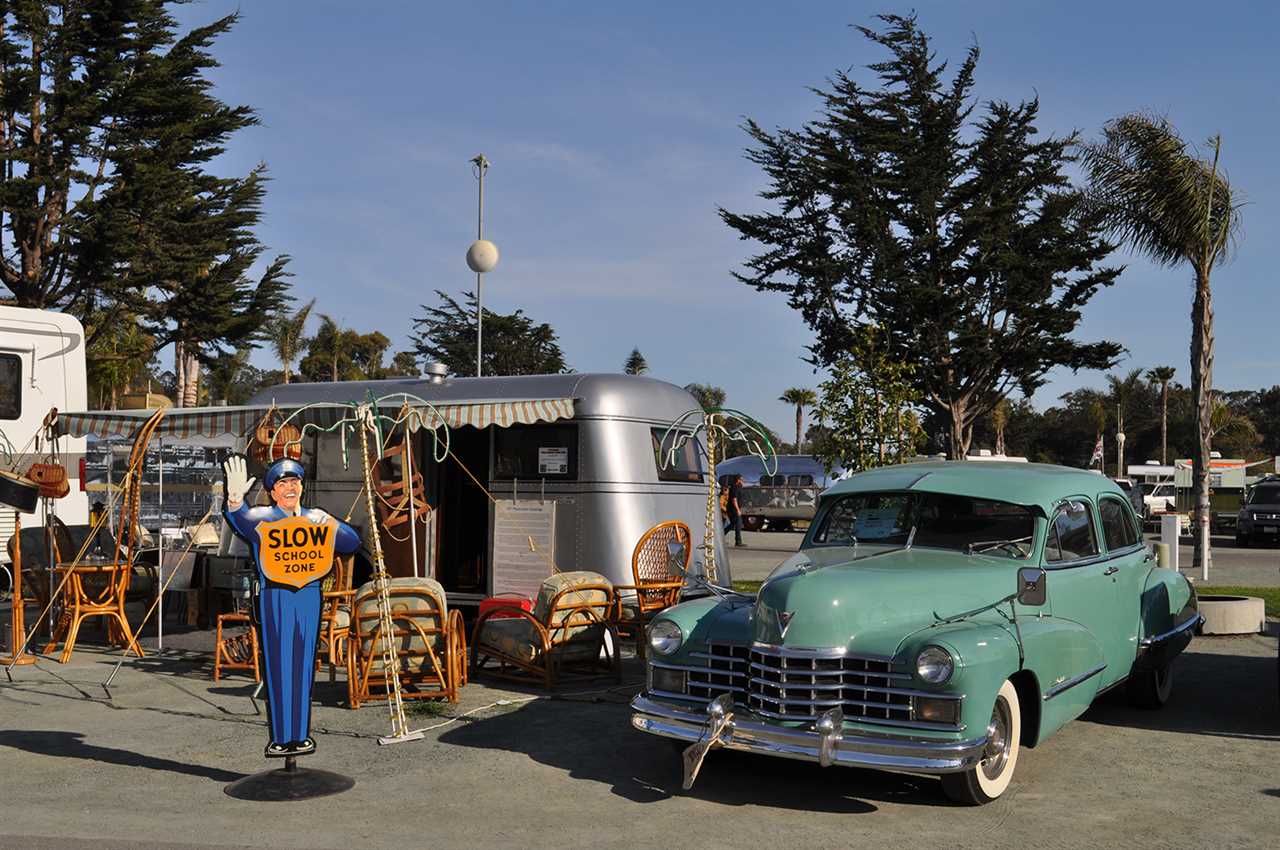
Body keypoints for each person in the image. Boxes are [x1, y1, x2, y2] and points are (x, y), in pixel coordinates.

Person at [222, 454, 360, 759]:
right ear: (272, 491)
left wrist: (333, 524)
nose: (290, 487)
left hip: (309, 594)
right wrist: (234, 498)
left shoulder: (316, 518)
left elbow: (351, 543)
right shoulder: (263, 518)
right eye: (282, 482)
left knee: (304, 665)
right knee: (280, 664)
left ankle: (300, 735)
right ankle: (282, 737)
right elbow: (239, 519)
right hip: (277, 595)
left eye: (294, 481)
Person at [724, 473, 745, 547]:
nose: (743, 481)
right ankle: (738, 542)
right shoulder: (735, 487)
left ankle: (721, 536)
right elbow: (734, 499)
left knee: (732, 524)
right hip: (733, 509)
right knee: (738, 524)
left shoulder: (739, 486)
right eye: (742, 479)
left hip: (735, 508)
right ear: (738, 480)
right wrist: (738, 510)